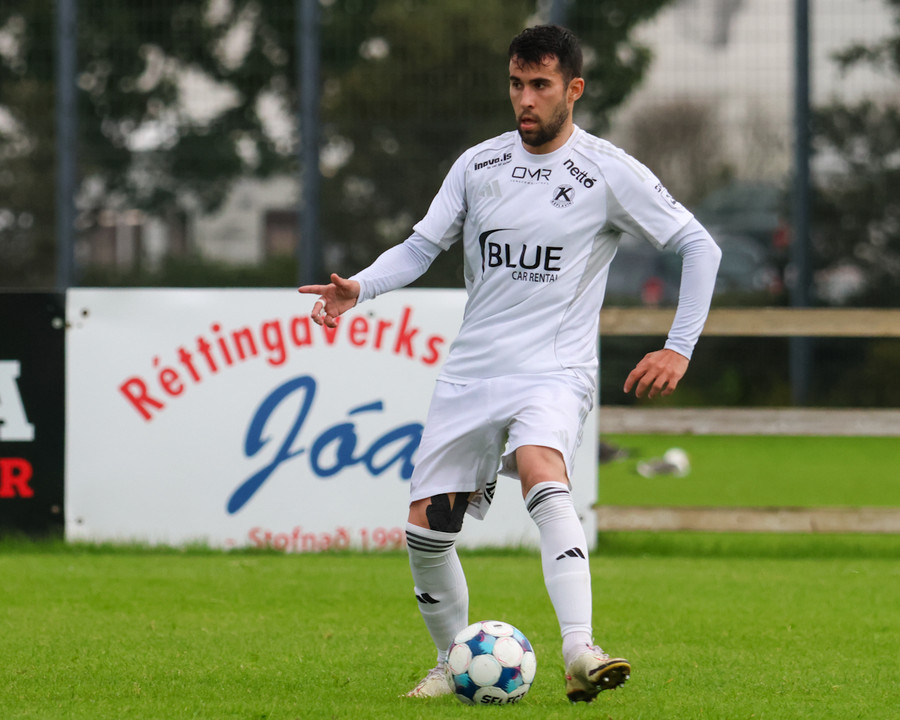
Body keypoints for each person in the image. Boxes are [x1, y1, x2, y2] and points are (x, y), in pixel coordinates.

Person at [299, 24, 721, 703]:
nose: (526, 99)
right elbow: (420, 247)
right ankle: (451, 662)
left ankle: (580, 650)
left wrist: (679, 346)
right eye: (517, 85)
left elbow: (700, 246)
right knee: (426, 531)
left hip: (554, 370)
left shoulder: (607, 171)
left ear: (573, 89)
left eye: (541, 86)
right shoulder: (478, 165)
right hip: (472, 373)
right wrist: (361, 288)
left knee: (541, 468)